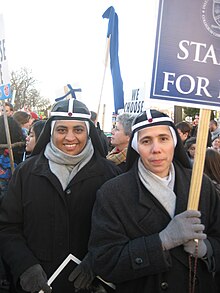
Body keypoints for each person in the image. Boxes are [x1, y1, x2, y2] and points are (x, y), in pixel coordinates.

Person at [89, 109, 220, 293]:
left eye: (163, 139)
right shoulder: (112, 194)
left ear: (174, 143)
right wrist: (162, 242)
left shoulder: (200, 184)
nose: (156, 148)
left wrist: (207, 249)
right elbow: (104, 261)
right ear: (135, 146)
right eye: (146, 141)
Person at [0, 98, 121, 293]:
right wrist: (24, 265)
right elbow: (7, 226)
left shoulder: (111, 175)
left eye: (78, 130)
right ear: (51, 132)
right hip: (35, 285)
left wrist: (96, 260)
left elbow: (120, 231)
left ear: (88, 132)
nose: (70, 137)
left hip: (89, 286)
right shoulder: (25, 173)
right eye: (62, 130)